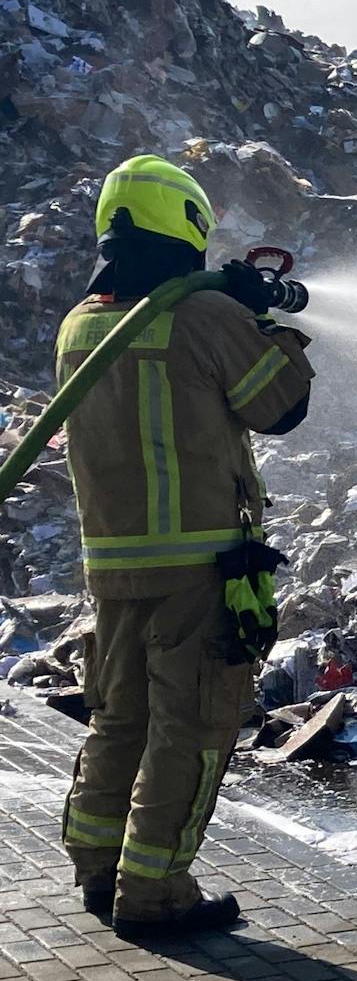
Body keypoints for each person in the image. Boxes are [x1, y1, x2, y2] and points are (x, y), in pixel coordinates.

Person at [57, 155, 316, 938]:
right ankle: (157, 889)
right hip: (198, 564)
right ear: (186, 221)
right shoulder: (200, 316)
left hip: (113, 563)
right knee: (192, 728)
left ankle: (99, 868)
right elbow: (279, 405)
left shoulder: (82, 322)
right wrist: (262, 321)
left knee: (119, 716)